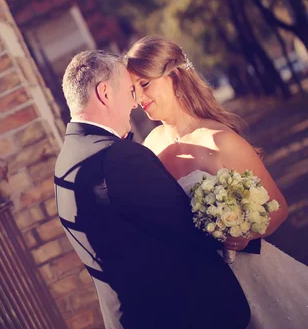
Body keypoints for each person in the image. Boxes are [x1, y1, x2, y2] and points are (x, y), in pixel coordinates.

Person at [54, 50, 250, 328]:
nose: (135, 104)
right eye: (129, 92)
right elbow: (189, 229)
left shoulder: (66, 161)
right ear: (105, 93)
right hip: (186, 316)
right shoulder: (118, 157)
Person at [125, 35, 308, 329]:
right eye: (133, 90)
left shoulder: (220, 140)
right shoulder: (150, 147)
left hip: (251, 278)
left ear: (174, 77)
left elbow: (279, 208)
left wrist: (244, 236)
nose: (139, 99)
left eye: (144, 84)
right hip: (199, 291)